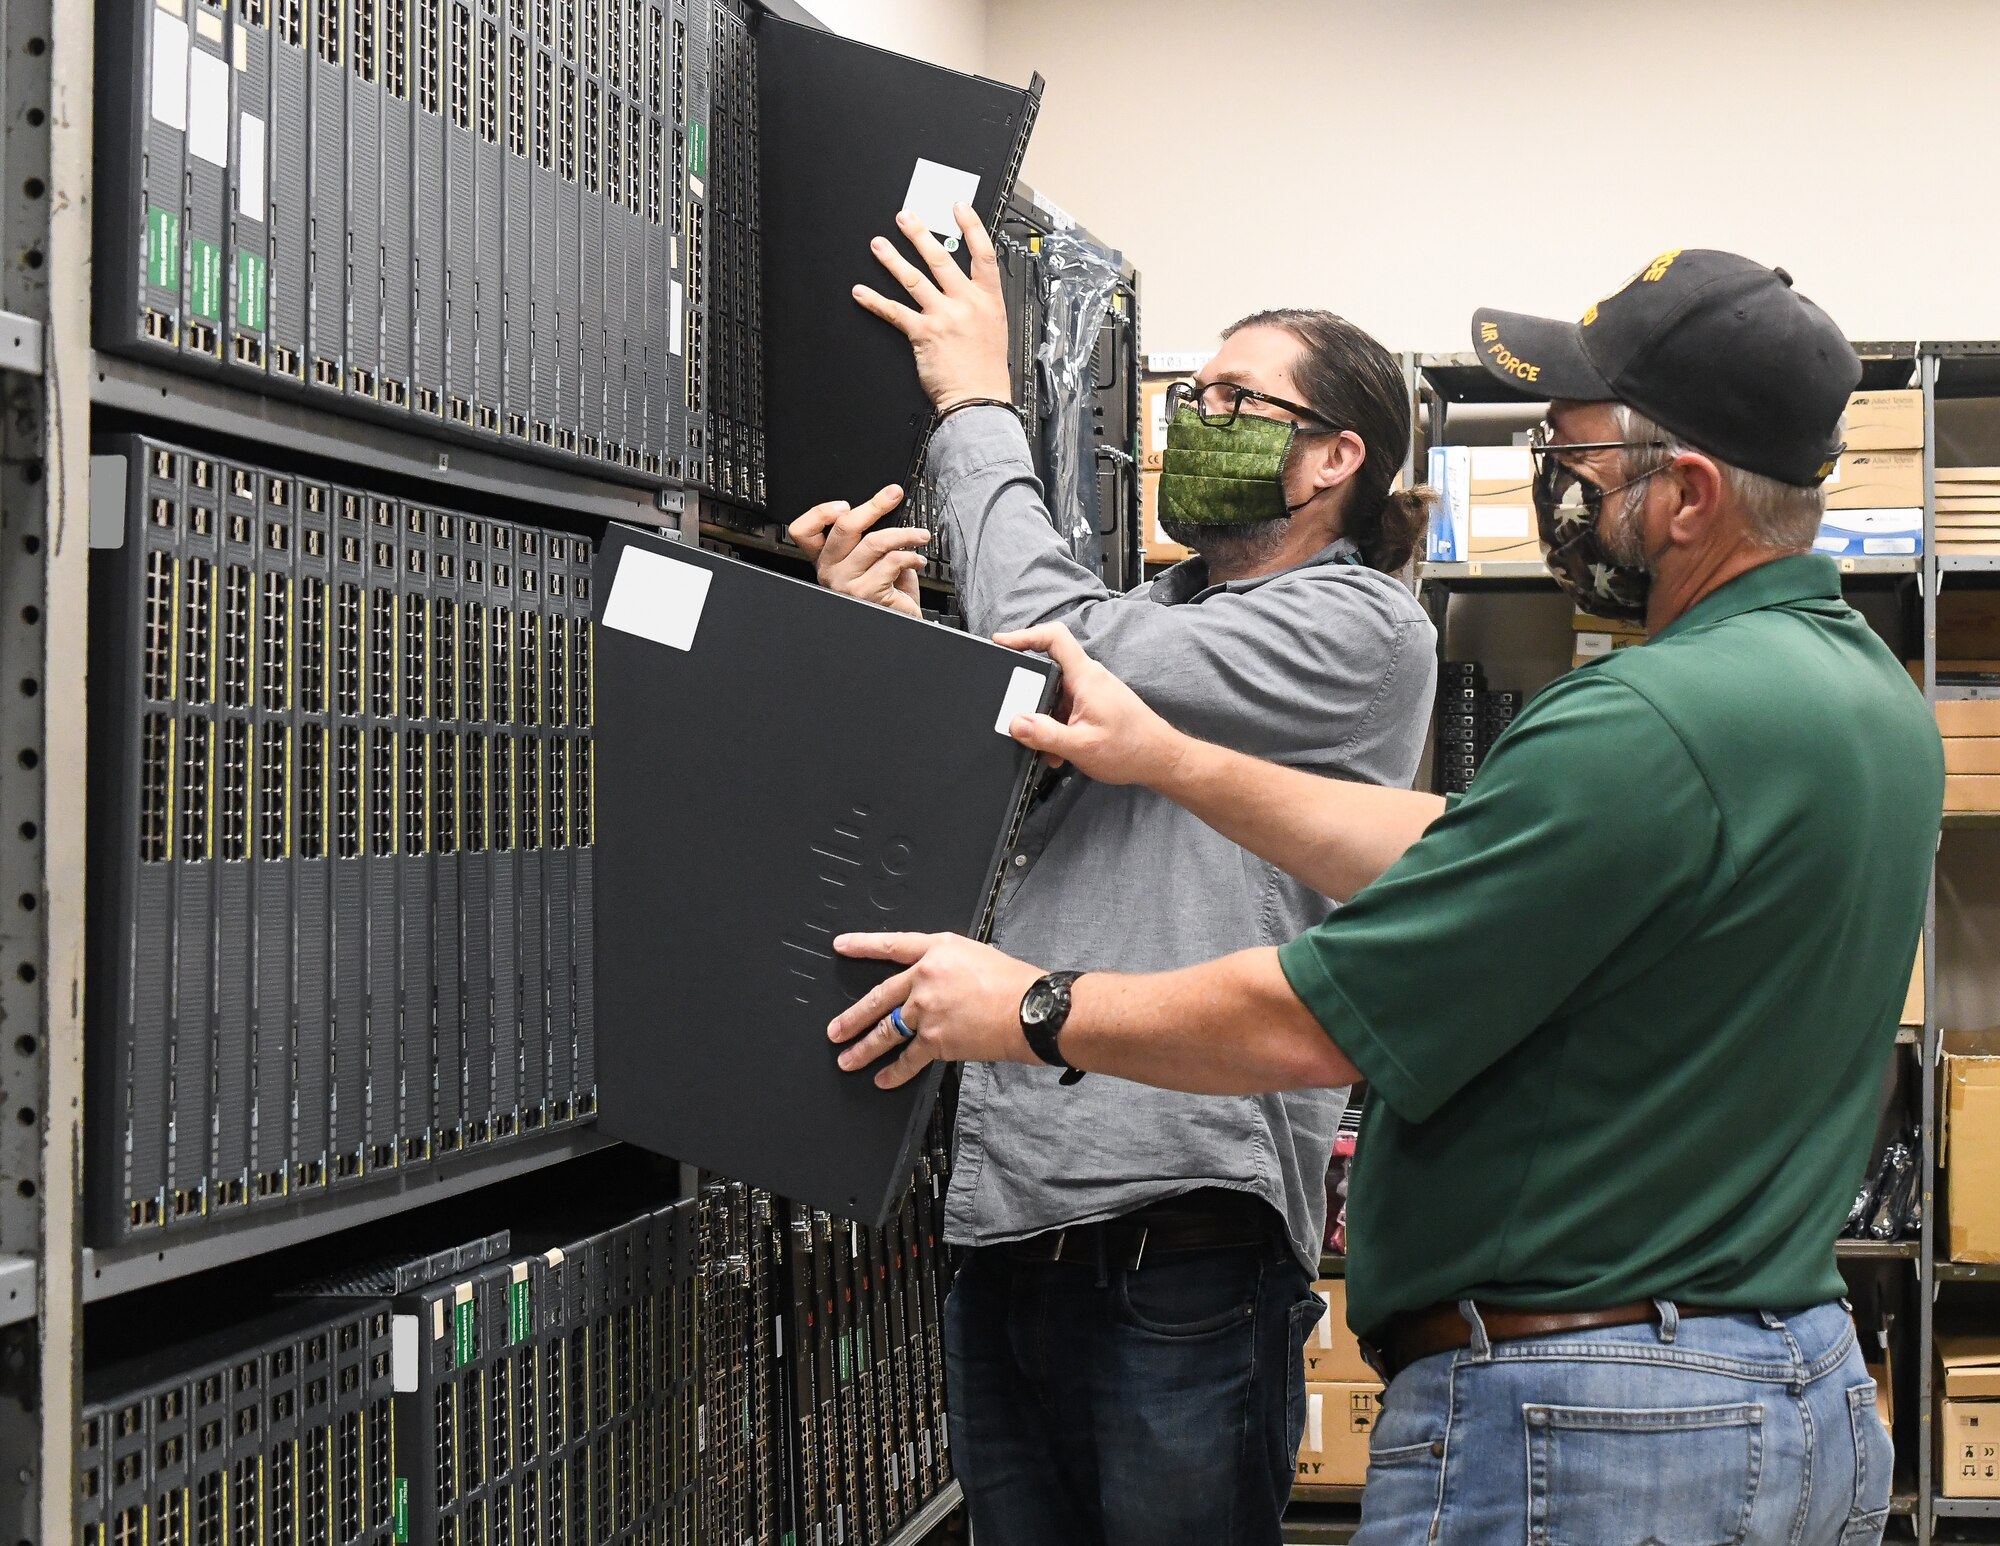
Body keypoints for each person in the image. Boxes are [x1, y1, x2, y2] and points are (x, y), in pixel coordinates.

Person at [829, 250, 1945, 1546]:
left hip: (1594, 1422)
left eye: (1574, 453)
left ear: (1687, 494)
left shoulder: (1645, 717)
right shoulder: (1865, 700)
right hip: (1761, 1371)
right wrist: (1173, 759)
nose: (1551, 479)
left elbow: (1324, 1021)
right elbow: (1471, 852)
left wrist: (1031, 1004)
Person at [786, 204, 1438, 1546]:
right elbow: (1002, 795)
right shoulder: (1166, 617)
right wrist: (892, 636)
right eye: (1191, 393)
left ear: (1333, 457)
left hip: (1177, 1244)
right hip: (1007, 1221)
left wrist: (974, 395)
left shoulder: (1362, 630)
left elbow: (1058, 638)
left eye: (1232, 396)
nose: (1194, 416)